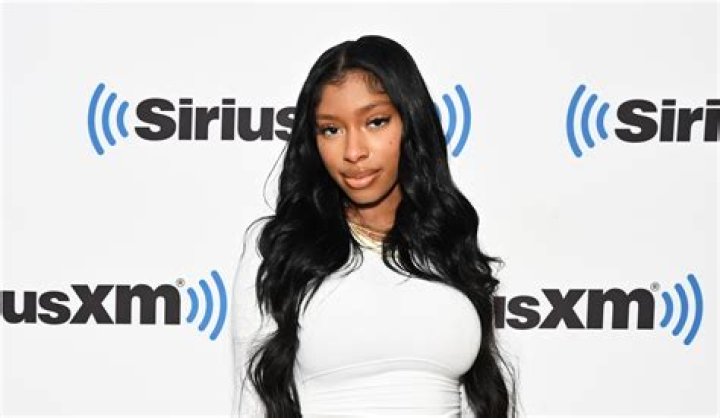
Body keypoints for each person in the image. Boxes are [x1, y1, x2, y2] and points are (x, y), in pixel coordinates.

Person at [231, 35, 517, 418]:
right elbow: (252, 403)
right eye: (331, 130)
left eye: (376, 122)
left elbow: (479, 398)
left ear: (410, 124)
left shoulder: (448, 242)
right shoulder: (280, 248)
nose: (354, 152)